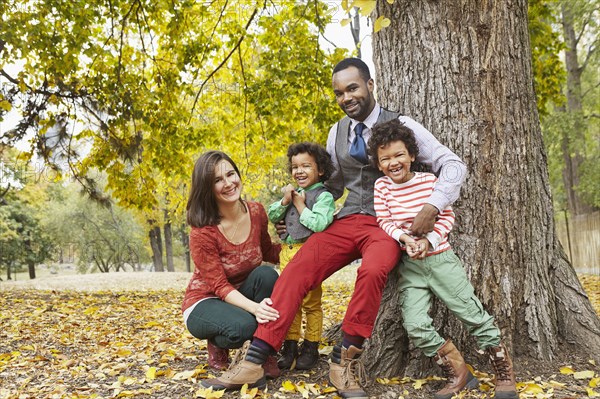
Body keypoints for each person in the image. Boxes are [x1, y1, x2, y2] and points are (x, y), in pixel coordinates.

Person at [200, 57, 467, 398]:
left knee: (372, 272)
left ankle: (345, 360)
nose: (346, 97)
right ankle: (255, 358)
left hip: (385, 225)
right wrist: (294, 217)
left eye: (352, 88)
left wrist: (432, 206)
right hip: (346, 219)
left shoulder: (401, 124)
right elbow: (332, 188)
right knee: (297, 268)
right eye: (339, 93)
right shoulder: (336, 132)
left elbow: (452, 164)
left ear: (370, 85)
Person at [370, 119, 517, 399]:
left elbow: (447, 216)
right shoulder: (382, 188)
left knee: (473, 316)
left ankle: (503, 371)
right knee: (414, 324)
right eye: (385, 159)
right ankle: (458, 372)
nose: (394, 162)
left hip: (441, 260)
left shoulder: (429, 182)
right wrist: (405, 239)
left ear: (412, 155)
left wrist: (429, 240)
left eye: (399, 155)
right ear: (378, 164)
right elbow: (384, 221)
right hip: (410, 266)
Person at [182, 150, 282, 380]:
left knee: (267, 274)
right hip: (205, 301)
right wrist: (256, 309)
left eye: (230, 174)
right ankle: (218, 340)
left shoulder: (256, 211)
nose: (228, 183)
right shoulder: (203, 231)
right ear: (207, 188)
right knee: (244, 327)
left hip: (241, 293)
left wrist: (300, 243)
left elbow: (268, 252)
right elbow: (218, 285)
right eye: (218, 180)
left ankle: (262, 351)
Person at [267, 142, 335, 371]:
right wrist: (286, 200)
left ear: (321, 170)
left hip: (309, 255)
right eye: (295, 167)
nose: (299, 171)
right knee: (290, 302)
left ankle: (311, 345)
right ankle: (290, 345)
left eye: (306, 166)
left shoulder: (323, 196)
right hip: (287, 254)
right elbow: (272, 214)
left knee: (311, 303)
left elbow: (320, 223)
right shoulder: (291, 193)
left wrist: (300, 205)